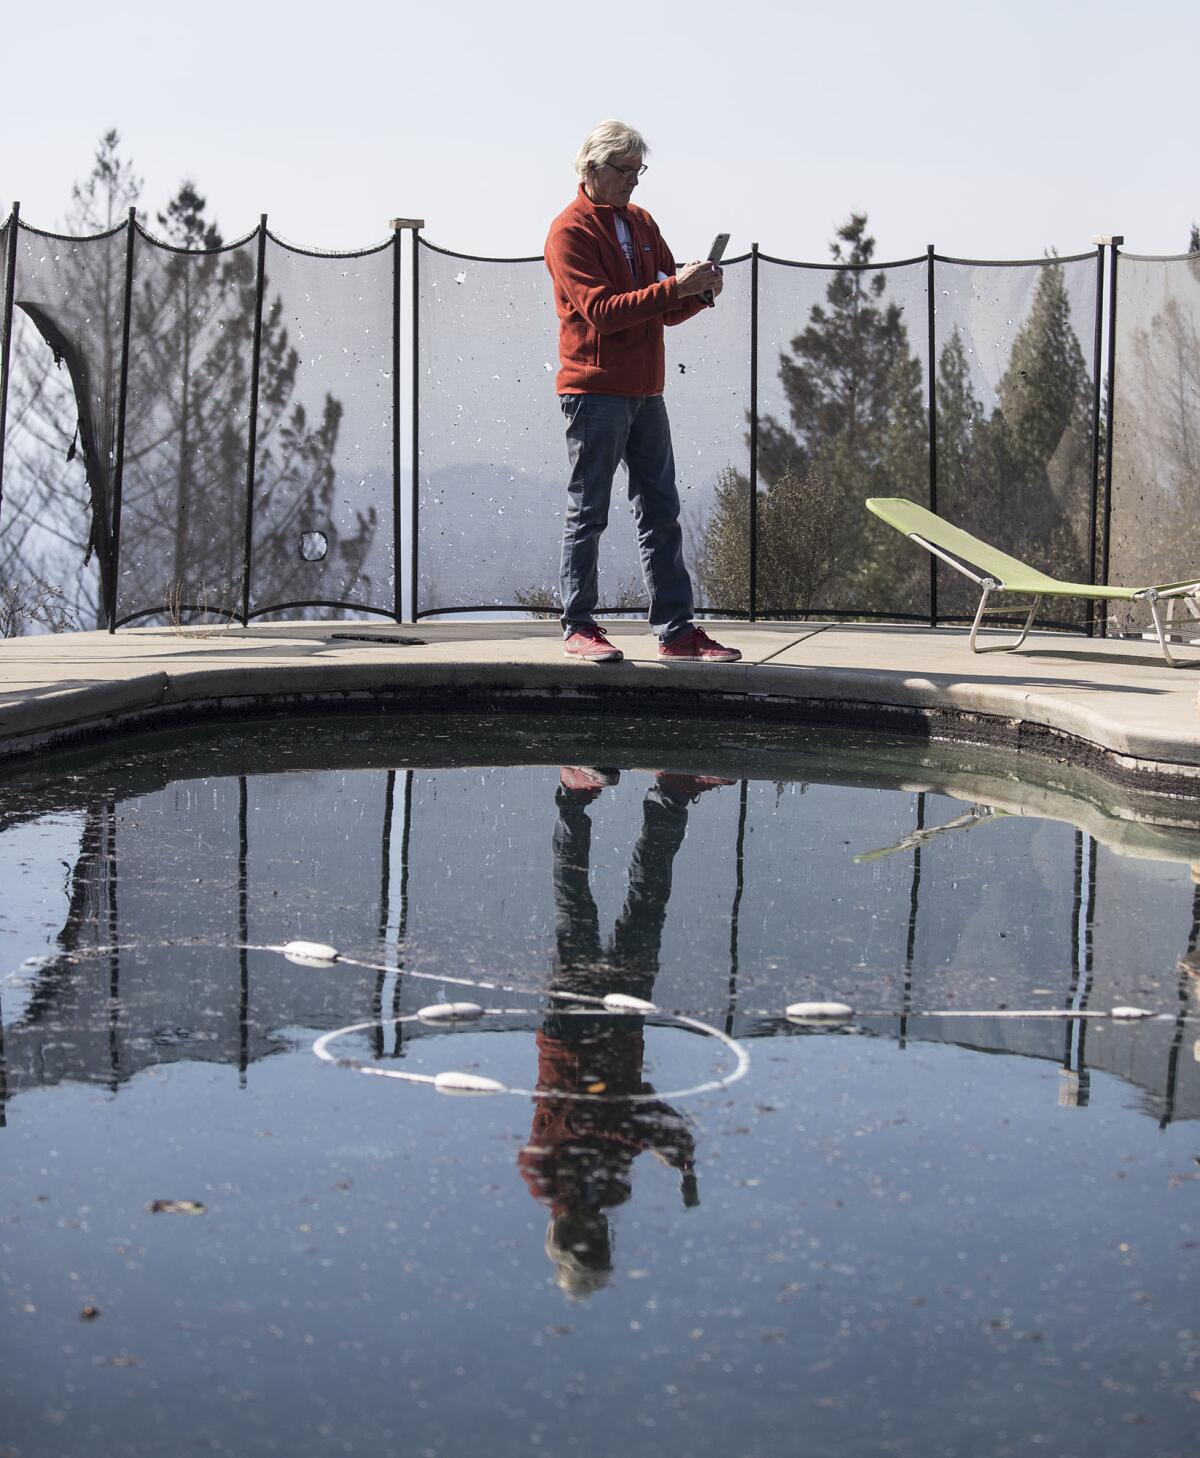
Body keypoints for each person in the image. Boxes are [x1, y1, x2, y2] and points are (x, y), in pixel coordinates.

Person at [544, 120, 742, 665]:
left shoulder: (642, 221)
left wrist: (696, 293)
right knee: (590, 511)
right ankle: (578, 626)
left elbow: (662, 305)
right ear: (592, 169)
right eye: (624, 171)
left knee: (661, 509)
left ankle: (676, 631)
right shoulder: (568, 232)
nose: (633, 181)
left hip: (645, 391)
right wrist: (674, 288)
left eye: (638, 171)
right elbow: (604, 313)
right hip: (594, 392)